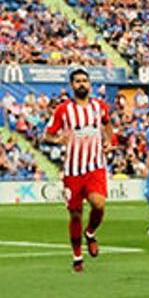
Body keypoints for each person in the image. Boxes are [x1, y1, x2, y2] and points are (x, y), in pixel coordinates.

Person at [42, 68, 113, 272]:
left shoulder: (99, 106)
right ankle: (77, 255)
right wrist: (57, 139)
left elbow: (107, 125)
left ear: (89, 84)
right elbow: (46, 135)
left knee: (98, 204)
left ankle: (90, 233)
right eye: (78, 81)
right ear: (72, 86)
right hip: (73, 170)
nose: (82, 84)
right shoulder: (63, 110)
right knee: (75, 215)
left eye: (85, 81)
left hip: (95, 166)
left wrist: (109, 141)